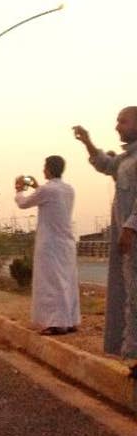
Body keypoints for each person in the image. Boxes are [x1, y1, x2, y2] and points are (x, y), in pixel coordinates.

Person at [73, 106, 137, 360]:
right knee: (130, 296)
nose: (117, 127)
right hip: (128, 243)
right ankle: (132, 353)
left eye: (123, 121)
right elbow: (105, 164)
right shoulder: (126, 159)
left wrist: (130, 226)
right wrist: (87, 142)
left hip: (131, 236)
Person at [14, 156, 80, 335]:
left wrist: (19, 190)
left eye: (45, 167)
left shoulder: (48, 190)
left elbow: (23, 203)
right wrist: (37, 187)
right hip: (66, 243)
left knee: (51, 283)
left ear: (49, 169)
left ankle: (55, 323)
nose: (43, 170)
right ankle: (70, 320)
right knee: (67, 282)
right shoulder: (68, 189)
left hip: (50, 243)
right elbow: (50, 199)